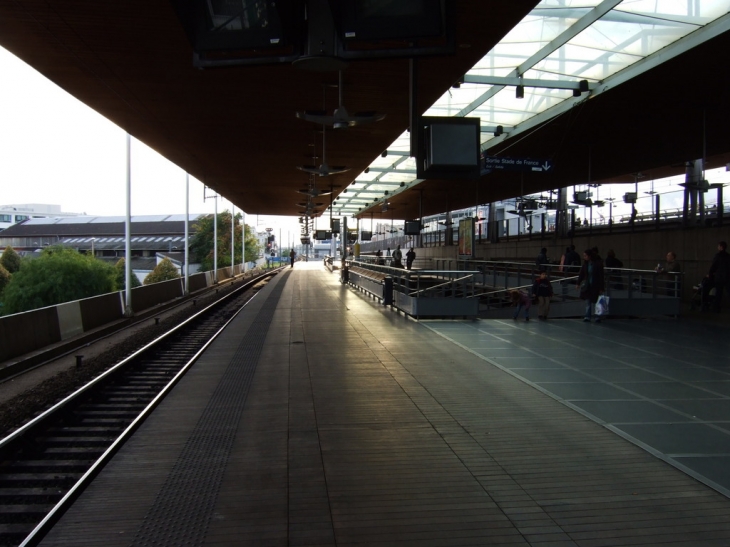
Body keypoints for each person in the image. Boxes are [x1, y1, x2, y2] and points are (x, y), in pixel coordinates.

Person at [576, 248, 605, 322]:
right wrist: (578, 283)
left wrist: (601, 287)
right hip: (588, 285)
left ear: (589, 256)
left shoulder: (597, 264)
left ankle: (597, 316)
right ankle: (587, 316)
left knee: (597, 301)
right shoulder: (586, 264)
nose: (584, 257)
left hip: (596, 285)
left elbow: (601, 276)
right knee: (588, 301)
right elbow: (582, 274)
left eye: (585, 255)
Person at [702, 241, 730, 312]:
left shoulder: (718, 256)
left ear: (721, 247)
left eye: (718, 246)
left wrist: (710, 275)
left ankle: (716, 308)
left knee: (718, 293)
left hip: (719, 277)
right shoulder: (728, 256)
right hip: (727, 277)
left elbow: (713, 266)